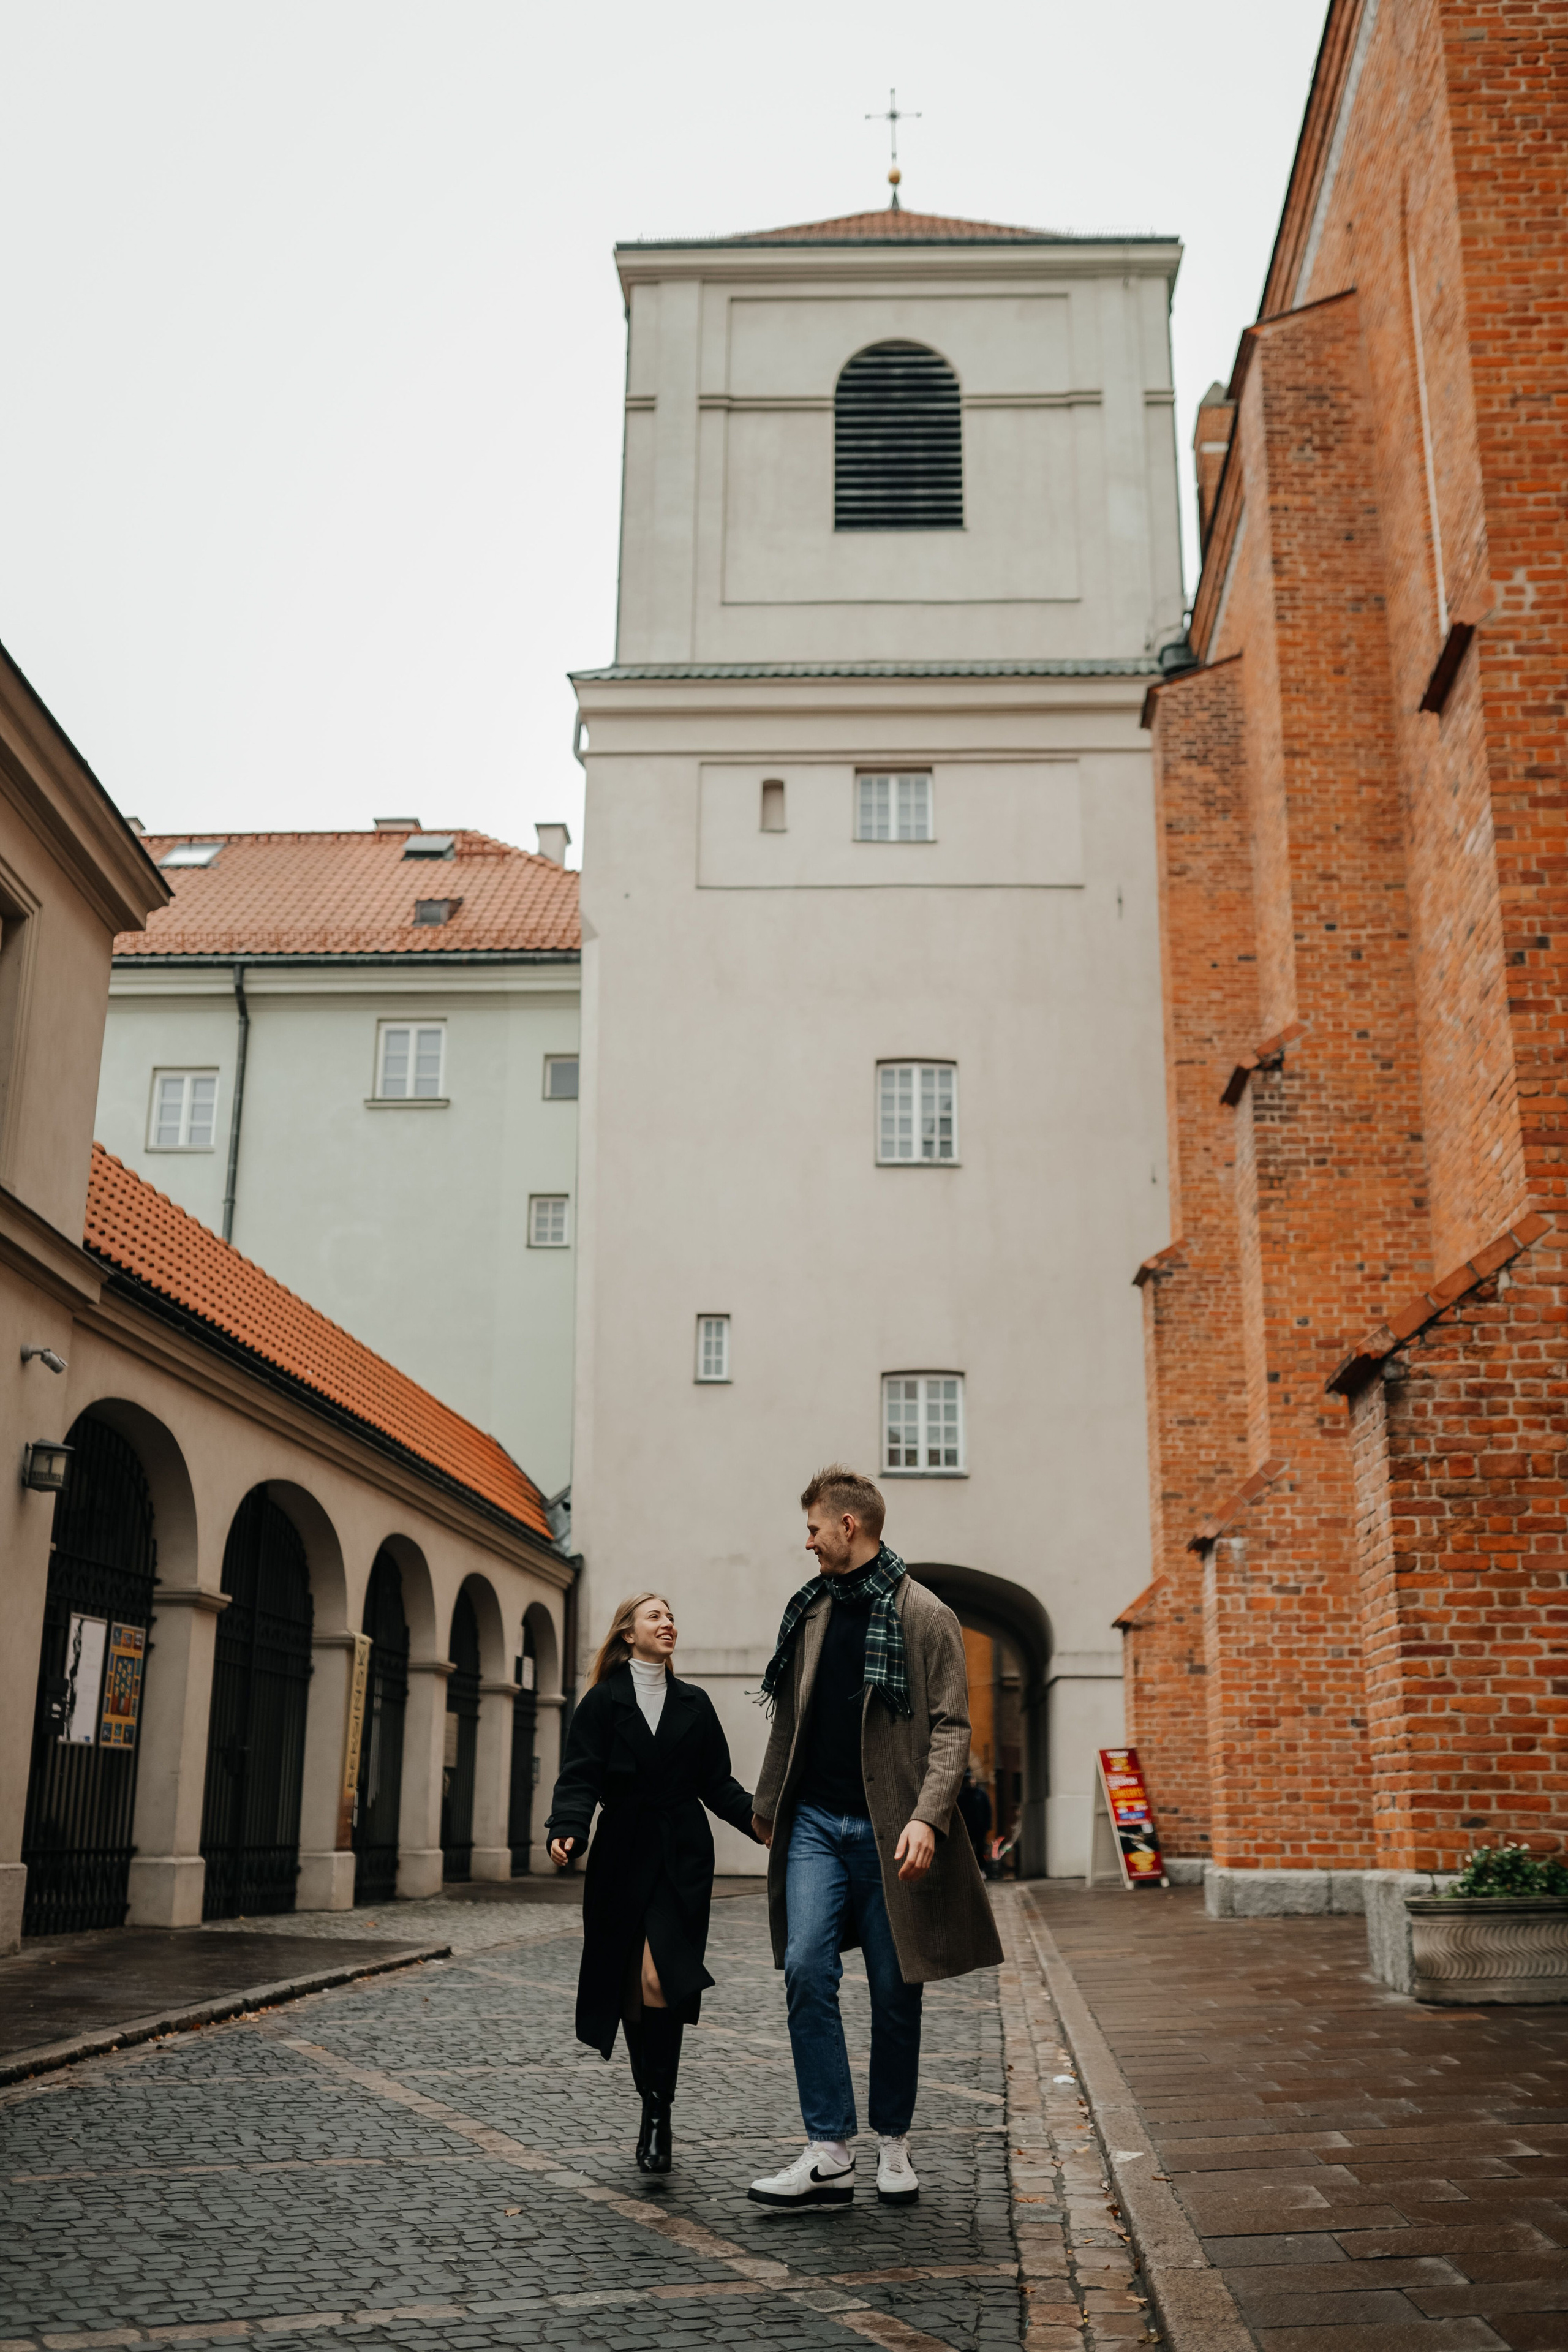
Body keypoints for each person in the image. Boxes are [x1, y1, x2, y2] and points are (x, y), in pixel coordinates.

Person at [747, 1467, 1003, 2211]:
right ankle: (829, 2150)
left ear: (849, 1527)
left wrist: (928, 1815)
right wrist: (769, 1802)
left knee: (897, 1989)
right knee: (803, 1967)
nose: (808, 1542)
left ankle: (893, 2141)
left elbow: (953, 1727)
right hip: (817, 1826)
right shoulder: (812, 1611)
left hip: (894, 1829)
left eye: (814, 1529)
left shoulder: (926, 1615)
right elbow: (790, 1716)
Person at [545, 1591, 760, 2173]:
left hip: (682, 1857)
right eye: (654, 1616)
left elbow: (719, 1783)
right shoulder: (601, 1702)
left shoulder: (695, 1702)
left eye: (669, 1615)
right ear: (627, 1635)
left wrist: (761, 1822)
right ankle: (653, 2103)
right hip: (620, 1857)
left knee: (659, 1978)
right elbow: (580, 1776)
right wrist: (567, 1828)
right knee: (632, 1989)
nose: (667, 1623)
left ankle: (659, 2111)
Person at [956, 1765, 992, 1867]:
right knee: (968, 1849)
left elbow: (988, 1809)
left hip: (980, 1828)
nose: (971, 1782)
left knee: (981, 1848)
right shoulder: (962, 1795)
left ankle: (982, 1868)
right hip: (968, 1827)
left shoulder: (981, 1794)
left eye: (972, 1779)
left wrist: (988, 1825)